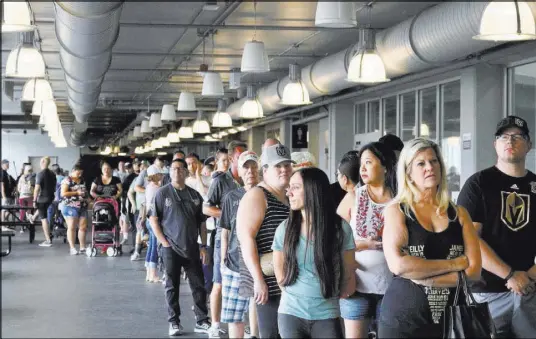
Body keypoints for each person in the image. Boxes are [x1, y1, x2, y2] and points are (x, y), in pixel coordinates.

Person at [378, 138, 482, 338]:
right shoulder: (397, 211)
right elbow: (399, 266)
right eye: (421, 163)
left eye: (434, 161)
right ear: (408, 172)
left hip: (451, 321)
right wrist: (454, 264)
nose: (429, 168)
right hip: (402, 319)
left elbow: (474, 272)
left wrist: (426, 279)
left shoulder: (459, 214)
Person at [457, 116, 536, 338]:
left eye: (517, 137)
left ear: (529, 145)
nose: (510, 141)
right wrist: (510, 275)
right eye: (503, 137)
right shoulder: (478, 184)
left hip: (529, 291)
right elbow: (470, 239)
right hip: (486, 293)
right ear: (495, 144)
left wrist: (529, 276)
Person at [273, 167, 356, 339]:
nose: (289, 193)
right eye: (289, 188)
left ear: (312, 190)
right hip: (290, 313)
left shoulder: (340, 229)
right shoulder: (285, 229)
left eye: (295, 187)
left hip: (327, 314)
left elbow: (348, 276)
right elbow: (280, 274)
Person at [338, 142, 397, 339]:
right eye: (361, 163)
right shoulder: (354, 196)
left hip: (391, 287)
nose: (362, 168)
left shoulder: (399, 199)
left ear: (385, 166)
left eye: (369, 162)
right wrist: (365, 245)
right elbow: (332, 238)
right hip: (356, 285)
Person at [237, 143, 294, 339]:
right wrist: (258, 280)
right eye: (278, 166)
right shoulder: (257, 196)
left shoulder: (288, 196)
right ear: (265, 170)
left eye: (287, 165)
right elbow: (246, 240)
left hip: (289, 280)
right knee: (271, 334)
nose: (284, 170)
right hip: (268, 282)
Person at [149, 158, 212, 336]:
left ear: (185, 172)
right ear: (170, 172)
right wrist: (164, 243)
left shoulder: (194, 195)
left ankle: (202, 320)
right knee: (171, 285)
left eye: (181, 169)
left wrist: (204, 246)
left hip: (192, 246)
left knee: (199, 285)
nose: (177, 172)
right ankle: (174, 322)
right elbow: (153, 220)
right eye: (174, 169)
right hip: (170, 248)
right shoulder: (162, 194)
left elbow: (202, 224)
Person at [203, 140, 248, 338]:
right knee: (219, 283)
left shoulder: (249, 178)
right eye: (241, 157)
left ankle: (245, 325)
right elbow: (206, 208)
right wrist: (228, 215)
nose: (245, 161)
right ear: (231, 159)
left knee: (246, 281)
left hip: (246, 237)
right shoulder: (221, 181)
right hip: (225, 236)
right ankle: (215, 323)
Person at [220, 151, 261, 339]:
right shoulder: (231, 197)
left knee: (259, 308)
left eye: (254, 166)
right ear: (239, 171)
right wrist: (222, 259)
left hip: (260, 263)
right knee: (234, 315)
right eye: (246, 167)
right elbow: (225, 230)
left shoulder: (266, 195)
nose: (250, 171)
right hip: (234, 263)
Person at [90, 160, 124, 243]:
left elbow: (120, 190)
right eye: (104, 168)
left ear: (111, 170)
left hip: (113, 203)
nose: (106, 170)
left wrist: (115, 196)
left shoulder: (116, 179)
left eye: (108, 168)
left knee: (114, 222)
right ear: (102, 170)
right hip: (100, 204)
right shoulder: (97, 179)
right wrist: (98, 197)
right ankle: (99, 239)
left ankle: (116, 241)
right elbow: (91, 191)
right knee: (99, 220)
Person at [60, 164, 89, 255]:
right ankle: (72, 248)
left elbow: (85, 192)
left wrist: (88, 198)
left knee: (83, 227)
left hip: (82, 205)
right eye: (78, 172)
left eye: (81, 173)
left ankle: (82, 247)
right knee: (72, 227)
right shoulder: (67, 180)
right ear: (73, 171)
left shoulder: (82, 180)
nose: (80, 174)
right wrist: (76, 192)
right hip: (70, 206)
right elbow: (63, 193)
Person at [144, 165, 164, 282]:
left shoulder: (149, 187)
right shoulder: (155, 188)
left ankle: (148, 273)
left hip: (148, 220)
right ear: (155, 176)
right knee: (155, 247)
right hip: (154, 221)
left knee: (151, 246)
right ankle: (153, 274)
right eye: (160, 174)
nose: (161, 176)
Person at [32, 157, 57, 247]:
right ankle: (33, 218)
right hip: (50, 197)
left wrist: (34, 200)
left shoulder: (40, 174)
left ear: (42, 162)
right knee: (42, 210)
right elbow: (54, 186)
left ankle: (48, 240)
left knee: (43, 218)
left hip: (42, 198)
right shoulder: (53, 174)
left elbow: (37, 189)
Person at [335, 150, 361, 223]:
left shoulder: (351, 197)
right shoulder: (370, 194)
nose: (337, 177)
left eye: (337, 174)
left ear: (344, 179)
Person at [1, 159, 16, 223]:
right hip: (5, 195)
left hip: (10, 195)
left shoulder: (7, 174)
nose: (8, 165)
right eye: (6, 164)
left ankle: (5, 222)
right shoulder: (2, 173)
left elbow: (14, 182)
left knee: (11, 209)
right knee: (4, 209)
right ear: (2, 165)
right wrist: (3, 196)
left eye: (8, 164)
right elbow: (1, 185)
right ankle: (3, 223)